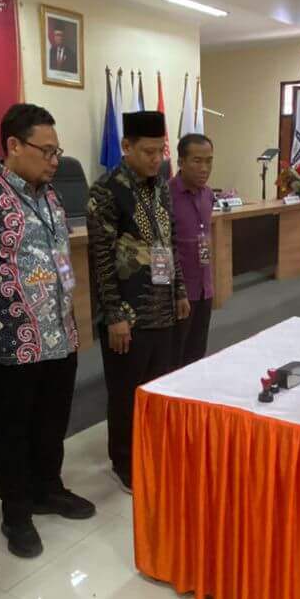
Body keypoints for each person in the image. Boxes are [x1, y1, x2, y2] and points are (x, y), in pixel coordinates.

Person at [0, 104, 95, 559]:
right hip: (9, 344)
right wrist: (0, 303)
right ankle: (16, 513)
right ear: (13, 146)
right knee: (12, 433)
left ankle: (48, 489)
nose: (54, 161)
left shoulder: (50, 196)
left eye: (57, 151)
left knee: (51, 424)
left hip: (59, 334)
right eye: (46, 151)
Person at [87, 109, 188, 492]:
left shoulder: (161, 184)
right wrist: (113, 315)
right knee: (126, 393)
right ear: (126, 146)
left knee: (157, 387)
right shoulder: (106, 191)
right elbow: (100, 259)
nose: (155, 159)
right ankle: (124, 462)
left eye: (160, 151)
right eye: (147, 152)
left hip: (162, 307)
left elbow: (170, 240)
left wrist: (178, 290)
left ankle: (153, 450)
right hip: (126, 313)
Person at [170, 132, 215, 367]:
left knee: (197, 354)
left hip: (203, 289)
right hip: (179, 293)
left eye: (209, 161)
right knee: (176, 356)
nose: (204, 168)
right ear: (181, 161)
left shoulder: (208, 194)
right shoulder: (166, 195)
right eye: (197, 161)